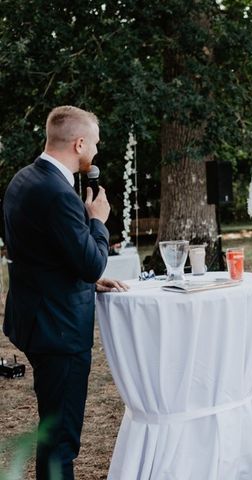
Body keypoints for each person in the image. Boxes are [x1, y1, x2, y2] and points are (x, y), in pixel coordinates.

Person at [2, 106, 128, 480]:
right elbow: (92, 262)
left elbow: (41, 254)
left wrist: (86, 282)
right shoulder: (58, 193)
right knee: (60, 441)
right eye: (96, 144)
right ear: (79, 143)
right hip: (59, 330)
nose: (97, 151)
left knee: (52, 430)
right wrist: (97, 222)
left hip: (34, 319)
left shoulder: (23, 179)